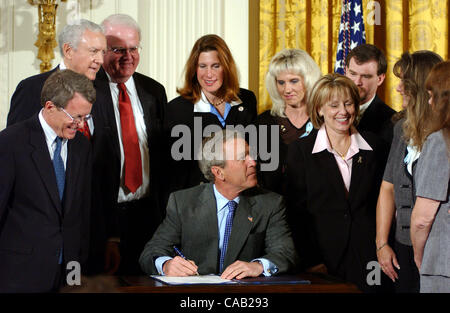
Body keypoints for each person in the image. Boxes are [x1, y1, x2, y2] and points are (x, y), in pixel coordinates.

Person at [139, 129, 298, 278]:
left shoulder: (270, 204)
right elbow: (151, 252)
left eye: (251, 154)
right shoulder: (183, 203)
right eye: (243, 157)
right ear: (219, 172)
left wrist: (259, 266)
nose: (253, 162)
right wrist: (166, 265)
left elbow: (285, 253)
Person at [286, 73, 388, 292]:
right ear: (320, 109)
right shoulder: (300, 152)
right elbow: (295, 214)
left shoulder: (376, 146)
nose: (343, 112)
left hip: (372, 257)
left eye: (348, 103)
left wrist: (382, 246)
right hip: (322, 260)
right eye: (334, 105)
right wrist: (310, 260)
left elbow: (386, 201)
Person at [0, 70, 94, 292]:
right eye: (75, 117)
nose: (80, 125)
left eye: (85, 117)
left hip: (69, 272)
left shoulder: (81, 146)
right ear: (50, 106)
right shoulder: (11, 143)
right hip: (19, 273)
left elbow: (82, 211)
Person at [89, 14, 167, 276]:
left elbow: (162, 158)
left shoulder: (154, 91)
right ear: (101, 51)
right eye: (118, 49)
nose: (128, 56)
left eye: (133, 48)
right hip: (101, 221)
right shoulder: (87, 91)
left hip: (148, 218)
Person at [375, 51, 443, 293]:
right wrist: (382, 244)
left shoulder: (444, 135)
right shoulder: (401, 129)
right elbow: (388, 187)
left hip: (438, 250)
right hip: (402, 247)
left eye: (404, 82)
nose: (398, 88)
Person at [164, 34, 257, 198]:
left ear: (226, 68)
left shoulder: (247, 100)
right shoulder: (178, 109)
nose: (209, 74)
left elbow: (254, 151)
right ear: (194, 69)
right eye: (202, 66)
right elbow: (174, 172)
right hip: (200, 200)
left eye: (215, 66)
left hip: (243, 197)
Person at [7, 19, 106, 131]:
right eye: (94, 51)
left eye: (103, 52)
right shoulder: (31, 88)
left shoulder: (103, 90)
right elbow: (14, 141)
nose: (101, 60)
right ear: (68, 51)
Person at [256, 48, 321, 195]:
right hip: (272, 210)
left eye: (294, 81)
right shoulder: (262, 123)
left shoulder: (324, 122)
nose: (287, 89)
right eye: (281, 82)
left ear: (309, 80)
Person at [411, 61, 450, 293]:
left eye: (431, 95)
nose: (428, 102)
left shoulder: (439, 142)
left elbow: (422, 218)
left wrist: (419, 256)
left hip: (443, 263)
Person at [345, 44, 396, 145]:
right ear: (346, 71)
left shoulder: (392, 122)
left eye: (366, 76)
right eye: (353, 74)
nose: (357, 82)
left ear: (380, 79)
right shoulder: (328, 112)